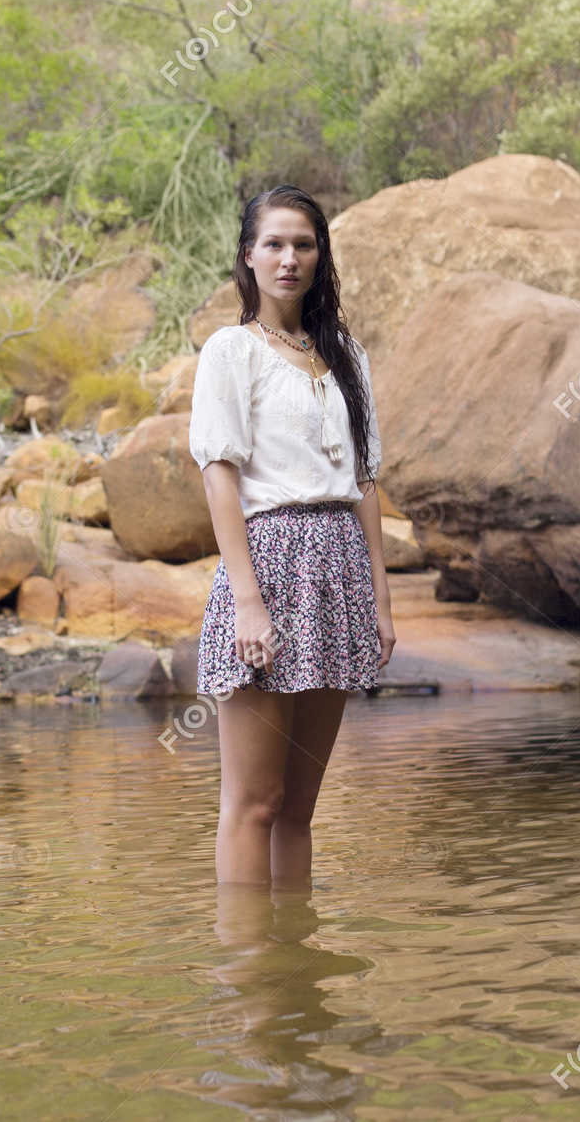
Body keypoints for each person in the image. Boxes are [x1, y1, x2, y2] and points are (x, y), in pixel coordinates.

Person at [189, 184, 396, 889]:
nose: (289, 259)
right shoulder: (230, 350)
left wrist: (381, 599)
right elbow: (219, 474)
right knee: (255, 802)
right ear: (248, 257)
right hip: (268, 563)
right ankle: (251, 980)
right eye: (273, 244)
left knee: (299, 810)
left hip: (337, 567)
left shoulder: (347, 358)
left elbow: (365, 481)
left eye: (303, 244)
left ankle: (295, 977)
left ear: (320, 255)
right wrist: (248, 599)